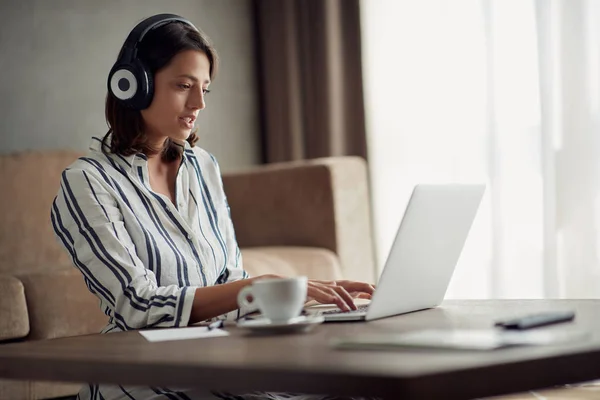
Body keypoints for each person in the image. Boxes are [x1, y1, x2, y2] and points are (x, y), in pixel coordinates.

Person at [50, 14, 376, 400]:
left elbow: (229, 281)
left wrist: (301, 305)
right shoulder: (87, 181)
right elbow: (137, 305)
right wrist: (254, 287)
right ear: (132, 86)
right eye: (184, 85)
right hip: (143, 370)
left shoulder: (202, 166)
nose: (199, 103)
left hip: (223, 358)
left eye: (204, 88)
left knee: (356, 385)